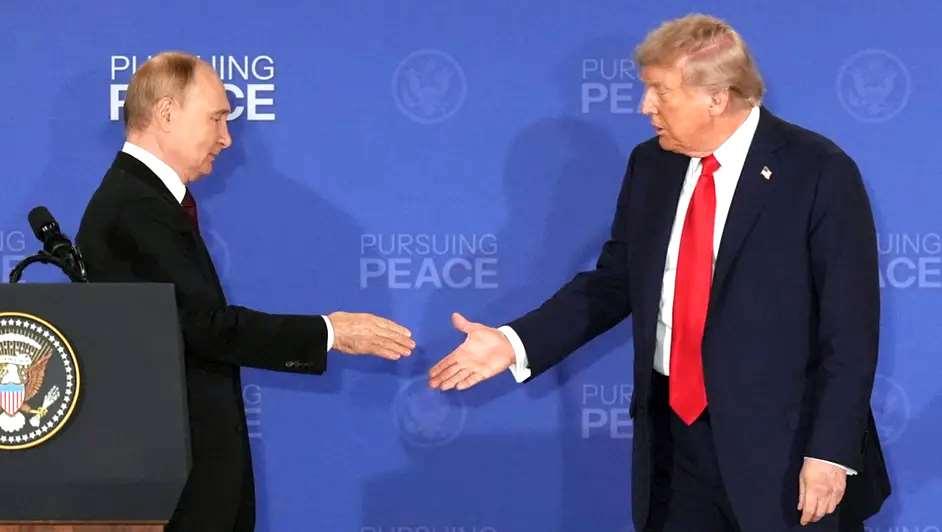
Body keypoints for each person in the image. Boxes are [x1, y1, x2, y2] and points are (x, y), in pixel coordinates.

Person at [428, 14, 890, 532]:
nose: (644, 106)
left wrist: (829, 452)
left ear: (716, 97)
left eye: (660, 91)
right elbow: (614, 283)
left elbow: (850, 329)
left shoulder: (818, 170)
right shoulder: (652, 165)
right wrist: (515, 343)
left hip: (785, 456)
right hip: (673, 447)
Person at [77, 51, 416, 532]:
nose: (227, 138)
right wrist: (330, 333)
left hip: (185, 470)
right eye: (215, 118)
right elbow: (205, 328)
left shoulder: (143, 199)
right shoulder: (135, 206)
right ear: (167, 113)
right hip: (172, 478)